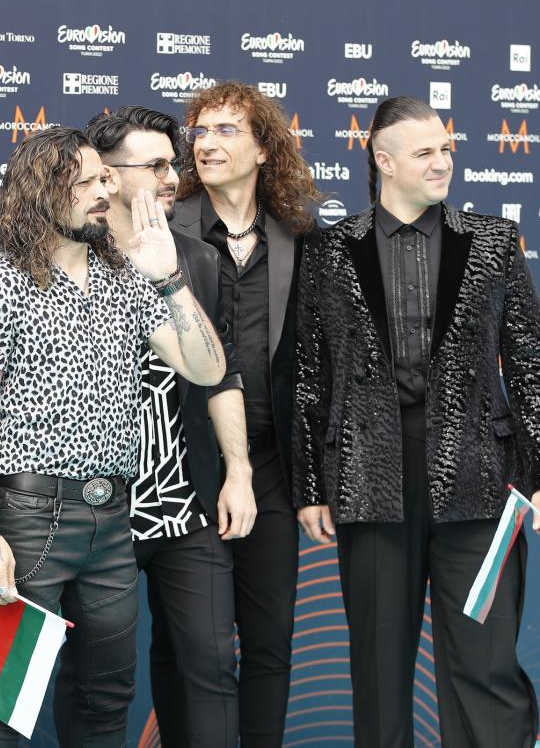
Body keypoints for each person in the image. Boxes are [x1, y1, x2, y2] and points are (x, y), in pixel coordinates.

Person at [293, 96, 540, 747]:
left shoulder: (494, 241)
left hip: (481, 480)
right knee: (379, 672)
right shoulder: (329, 251)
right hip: (370, 482)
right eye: (425, 152)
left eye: (446, 148)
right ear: (383, 161)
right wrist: (310, 486)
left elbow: (529, 363)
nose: (442, 161)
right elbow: (311, 376)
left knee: (486, 663)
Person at [0, 127, 225, 747]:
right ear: (45, 194)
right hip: (30, 516)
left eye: (105, 178)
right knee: (7, 701)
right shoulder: (3, 286)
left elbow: (207, 369)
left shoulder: (126, 280)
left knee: (107, 698)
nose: (105, 192)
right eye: (87, 183)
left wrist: (170, 278)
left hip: (112, 523)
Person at [85, 106, 254, 747]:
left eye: (171, 164)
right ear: (106, 174)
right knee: (100, 676)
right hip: (97, 512)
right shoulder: (70, 255)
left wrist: (238, 472)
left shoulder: (199, 260)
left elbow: (223, 375)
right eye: (154, 166)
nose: (171, 178)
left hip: (186, 504)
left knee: (209, 665)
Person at [172, 80, 319, 746]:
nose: (207, 143)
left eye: (227, 130)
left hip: (272, 464)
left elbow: (318, 365)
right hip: (183, 461)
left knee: (270, 638)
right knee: (191, 647)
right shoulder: (166, 229)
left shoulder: (300, 237)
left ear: (264, 149)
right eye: (200, 132)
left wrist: (313, 479)